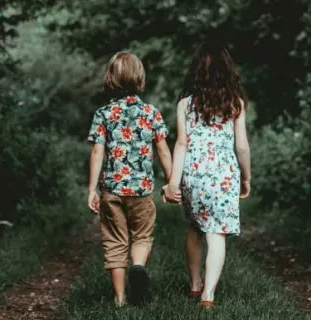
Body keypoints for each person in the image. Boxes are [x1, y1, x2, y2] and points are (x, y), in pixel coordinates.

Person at [162, 43, 251, 308]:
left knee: (194, 228)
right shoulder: (235, 104)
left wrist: (174, 182)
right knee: (216, 234)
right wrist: (246, 177)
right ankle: (208, 296)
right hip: (223, 174)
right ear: (227, 71)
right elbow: (242, 146)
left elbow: (181, 144)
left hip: (194, 174)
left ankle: (194, 285)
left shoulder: (185, 105)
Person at [87, 51, 172, 307]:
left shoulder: (103, 114)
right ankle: (137, 266)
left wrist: (92, 189)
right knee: (142, 236)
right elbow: (164, 150)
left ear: (111, 77)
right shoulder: (151, 113)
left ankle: (120, 298)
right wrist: (171, 182)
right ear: (140, 77)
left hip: (112, 190)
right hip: (142, 190)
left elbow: (97, 151)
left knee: (114, 241)